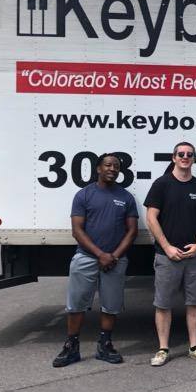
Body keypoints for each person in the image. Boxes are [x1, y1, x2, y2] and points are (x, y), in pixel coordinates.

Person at [53, 154, 138, 367]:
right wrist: (100, 254)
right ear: (98, 168)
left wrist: (114, 256)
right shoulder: (84, 195)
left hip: (116, 260)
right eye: (108, 165)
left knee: (111, 304)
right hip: (86, 257)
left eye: (116, 166)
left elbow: (132, 231)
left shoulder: (126, 197)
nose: (112, 169)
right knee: (77, 304)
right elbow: (77, 230)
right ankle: (71, 347)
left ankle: (105, 345)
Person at [144, 141, 196, 366]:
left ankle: (194, 347)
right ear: (174, 158)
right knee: (163, 304)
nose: (185, 157)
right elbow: (151, 217)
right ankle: (163, 349)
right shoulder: (162, 184)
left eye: (189, 154)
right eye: (181, 154)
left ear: (194, 159)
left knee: (194, 303)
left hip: (195, 257)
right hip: (167, 256)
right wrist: (166, 247)